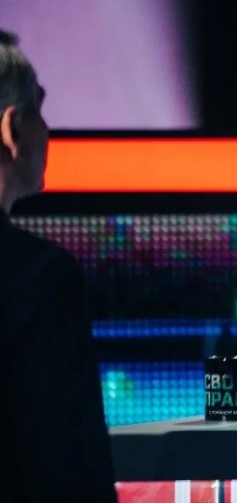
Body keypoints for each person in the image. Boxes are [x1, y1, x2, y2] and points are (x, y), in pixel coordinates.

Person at [0, 30, 118, 502]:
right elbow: (71, 470)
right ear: (11, 130)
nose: (49, 131)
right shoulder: (38, 279)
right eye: (40, 111)